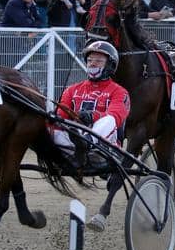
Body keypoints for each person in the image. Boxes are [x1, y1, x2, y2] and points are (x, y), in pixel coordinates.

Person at [52, 41, 131, 182]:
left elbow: (116, 116)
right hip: (74, 144)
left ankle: (85, 143)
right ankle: (76, 148)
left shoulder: (120, 92)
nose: (92, 64)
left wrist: (92, 116)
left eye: (99, 61)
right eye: (89, 61)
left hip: (105, 148)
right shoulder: (72, 90)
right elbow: (61, 116)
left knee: (109, 120)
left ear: (110, 65)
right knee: (50, 123)